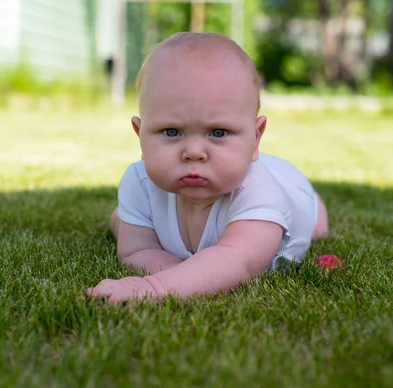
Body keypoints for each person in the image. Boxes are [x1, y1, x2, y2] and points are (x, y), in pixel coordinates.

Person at [86, 32, 329, 304]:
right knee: (123, 222)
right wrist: (185, 275)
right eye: (171, 131)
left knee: (316, 223)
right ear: (140, 135)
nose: (194, 152)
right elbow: (136, 251)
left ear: (255, 138)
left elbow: (235, 262)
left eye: (218, 132)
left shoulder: (260, 195)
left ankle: (315, 207)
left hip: (292, 189)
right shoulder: (139, 183)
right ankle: (123, 217)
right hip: (244, 167)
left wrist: (155, 287)